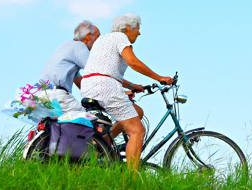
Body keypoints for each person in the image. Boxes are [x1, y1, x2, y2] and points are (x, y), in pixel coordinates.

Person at [81, 13, 173, 171]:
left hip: (90, 85)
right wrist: (159, 77)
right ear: (128, 27)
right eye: (138, 28)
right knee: (137, 131)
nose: (139, 32)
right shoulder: (120, 37)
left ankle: (103, 144)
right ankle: (131, 180)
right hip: (105, 87)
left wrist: (131, 86)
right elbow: (132, 61)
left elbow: (104, 70)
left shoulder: (103, 40)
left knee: (137, 112)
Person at [39, 20, 100, 114]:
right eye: (98, 36)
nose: (99, 40)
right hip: (58, 96)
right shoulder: (79, 46)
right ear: (88, 36)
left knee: (61, 127)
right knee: (92, 121)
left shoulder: (65, 46)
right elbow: (98, 71)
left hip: (43, 96)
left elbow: (80, 82)